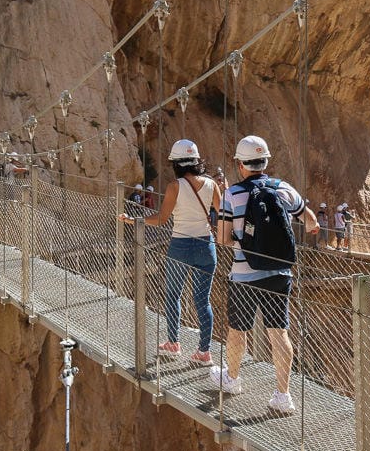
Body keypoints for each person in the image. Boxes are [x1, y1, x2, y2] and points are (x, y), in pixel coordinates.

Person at [213, 135, 319, 414]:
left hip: (244, 274)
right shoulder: (283, 188)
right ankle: (283, 396)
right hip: (279, 272)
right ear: (265, 161)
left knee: (238, 330)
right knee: (278, 331)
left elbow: (223, 239)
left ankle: (233, 379)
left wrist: (242, 238)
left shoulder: (232, 194)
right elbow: (310, 221)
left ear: (240, 164)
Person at [119, 139, 221, 365]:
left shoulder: (175, 186)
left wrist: (133, 220)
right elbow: (221, 213)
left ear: (176, 164)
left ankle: (173, 343)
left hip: (181, 246)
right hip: (206, 245)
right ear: (196, 161)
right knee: (203, 300)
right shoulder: (212, 184)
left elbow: (161, 219)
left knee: (173, 294)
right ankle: (204, 352)